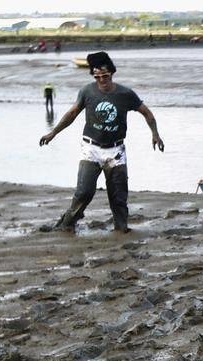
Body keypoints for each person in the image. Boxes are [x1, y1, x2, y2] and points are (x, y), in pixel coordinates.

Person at [38, 51, 164, 233]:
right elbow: (72, 114)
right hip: (91, 149)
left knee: (118, 196)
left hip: (116, 151)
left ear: (112, 73)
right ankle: (67, 224)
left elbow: (147, 113)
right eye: (97, 76)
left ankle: (121, 228)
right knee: (84, 192)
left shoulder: (125, 94)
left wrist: (155, 134)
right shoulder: (87, 91)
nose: (102, 80)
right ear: (94, 76)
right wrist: (53, 133)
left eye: (105, 76)